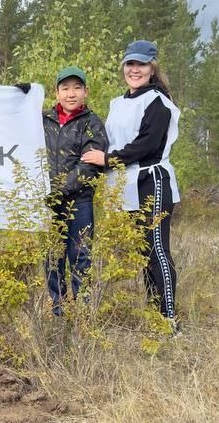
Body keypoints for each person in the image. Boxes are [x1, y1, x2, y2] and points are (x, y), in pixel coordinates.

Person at [82, 40, 181, 332]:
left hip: (152, 181)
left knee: (157, 249)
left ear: (152, 68)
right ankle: (153, 315)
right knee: (141, 252)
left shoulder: (159, 103)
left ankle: (168, 321)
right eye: (130, 64)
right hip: (125, 185)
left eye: (141, 64)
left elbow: (145, 145)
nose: (134, 70)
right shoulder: (118, 102)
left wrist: (108, 159)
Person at [43, 66, 108, 316]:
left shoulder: (91, 123)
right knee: (52, 258)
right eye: (65, 88)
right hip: (48, 205)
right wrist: (20, 97)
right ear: (57, 92)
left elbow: (90, 165)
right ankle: (58, 313)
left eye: (77, 88)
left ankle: (82, 316)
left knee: (80, 257)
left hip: (79, 203)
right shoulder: (41, 120)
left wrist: (59, 189)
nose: (71, 94)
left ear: (85, 92)